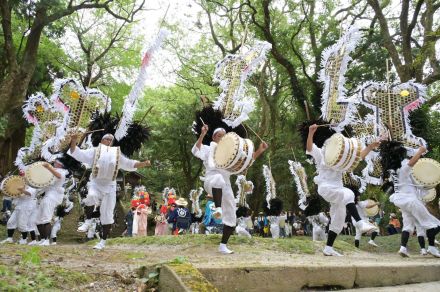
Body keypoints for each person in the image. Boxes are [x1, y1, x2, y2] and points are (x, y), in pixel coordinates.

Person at [192, 124, 268, 253]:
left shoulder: (232, 152)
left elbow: (245, 163)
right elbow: (195, 150)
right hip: (211, 180)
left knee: (232, 215)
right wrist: (202, 134)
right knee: (218, 179)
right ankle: (218, 209)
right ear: (214, 137)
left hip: (225, 186)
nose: (222, 138)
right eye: (219, 135)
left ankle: (223, 246)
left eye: (224, 135)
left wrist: (260, 150)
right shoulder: (208, 148)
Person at [305, 124, 379, 256]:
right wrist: (311, 133)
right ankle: (360, 223)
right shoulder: (321, 155)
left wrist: (369, 147)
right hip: (326, 188)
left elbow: (358, 158)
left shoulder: (341, 159)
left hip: (338, 190)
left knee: (338, 220)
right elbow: (309, 148)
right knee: (348, 193)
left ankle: (328, 248)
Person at [68, 133, 151, 250]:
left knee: (107, 215)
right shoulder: (94, 151)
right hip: (96, 183)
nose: (109, 141)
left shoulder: (116, 153)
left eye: (111, 140)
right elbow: (77, 153)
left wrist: (143, 163)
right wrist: (73, 140)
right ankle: (87, 221)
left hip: (110, 186)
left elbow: (129, 163)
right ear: (101, 140)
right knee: (91, 196)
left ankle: (102, 241)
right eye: (106, 139)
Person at [380, 143, 440, 257]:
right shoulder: (403, 168)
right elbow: (411, 163)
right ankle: (431, 247)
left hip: (401, 200)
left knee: (408, 226)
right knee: (433, 224)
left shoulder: (391, 171)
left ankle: (404, 248)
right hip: (410, 200)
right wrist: (420, 151)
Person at [35, 161, 68, 246]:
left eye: (56, 162)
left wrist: (48, 167)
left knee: (46, 218)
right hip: (47, 196)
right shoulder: (52, 171)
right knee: (38, 220)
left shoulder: (61, 171)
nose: (54, 163)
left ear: (60, 164)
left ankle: (46, 240)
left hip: (52, 197)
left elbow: (59, 176)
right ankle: (42, 239)